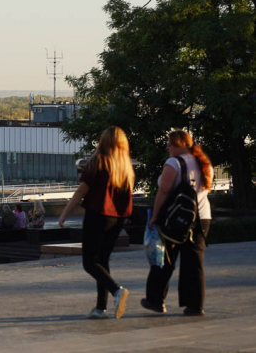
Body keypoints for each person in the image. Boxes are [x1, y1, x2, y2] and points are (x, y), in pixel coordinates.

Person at [59, 126, 134, 320]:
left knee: (90, 263)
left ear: (103, 142)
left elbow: (82, 191)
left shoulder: (98, 162)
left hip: (98, 215)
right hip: (117, 220)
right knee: (102, 261)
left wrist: (64, 214)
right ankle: (101, 308)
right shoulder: (125, 167)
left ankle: (117, 291)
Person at [143, 130, 214, 316]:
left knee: (165, 259)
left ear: (182, 144)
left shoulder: (174, 163)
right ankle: (194, 305)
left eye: (170, 144)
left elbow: (163, 192)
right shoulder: (203, 162)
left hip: (176, 218)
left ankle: (155, 300)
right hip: (201, 217)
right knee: (194, 262)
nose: (168, 148)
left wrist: (155, 216)